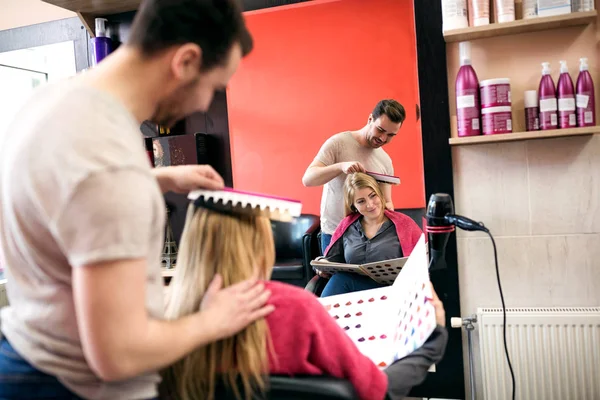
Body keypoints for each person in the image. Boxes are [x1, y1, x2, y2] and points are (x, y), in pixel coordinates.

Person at [0, 1, 273, 399]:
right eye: (214, 86)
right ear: (185, 61)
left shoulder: (55, 103)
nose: (204, 104)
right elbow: (120, 354)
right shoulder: (108, 160)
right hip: (71, 387)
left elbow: (69, 195)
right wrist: (214, 320)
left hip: (25, 356)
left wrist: (158, 178)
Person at [159, 200, 448, 400]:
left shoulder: (164, 316)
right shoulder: (295, 309)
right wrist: (433, 340)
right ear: (260, 244)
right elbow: (376, 391)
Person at [302, 99, 406, 253]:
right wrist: (340, 166)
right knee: (335, 277)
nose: (383, 138)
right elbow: (308, 179)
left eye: (390, 135)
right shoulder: (337, 143)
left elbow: (387, 201)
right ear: (370, 119)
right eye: (380, 130)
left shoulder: (385, 161)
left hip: (366, 239)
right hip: (333, 233)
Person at [316, 173, 422, 297]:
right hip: (357, 291)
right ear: (353, 206)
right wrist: (321, 263)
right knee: (339, 279)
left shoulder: (405, 223)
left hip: (396, 291)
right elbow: (333, 258)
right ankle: (320, 316)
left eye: (373, 196)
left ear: (380, 194)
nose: (370, 205)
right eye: (361, 201)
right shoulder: (347, 226)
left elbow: (423, 262)